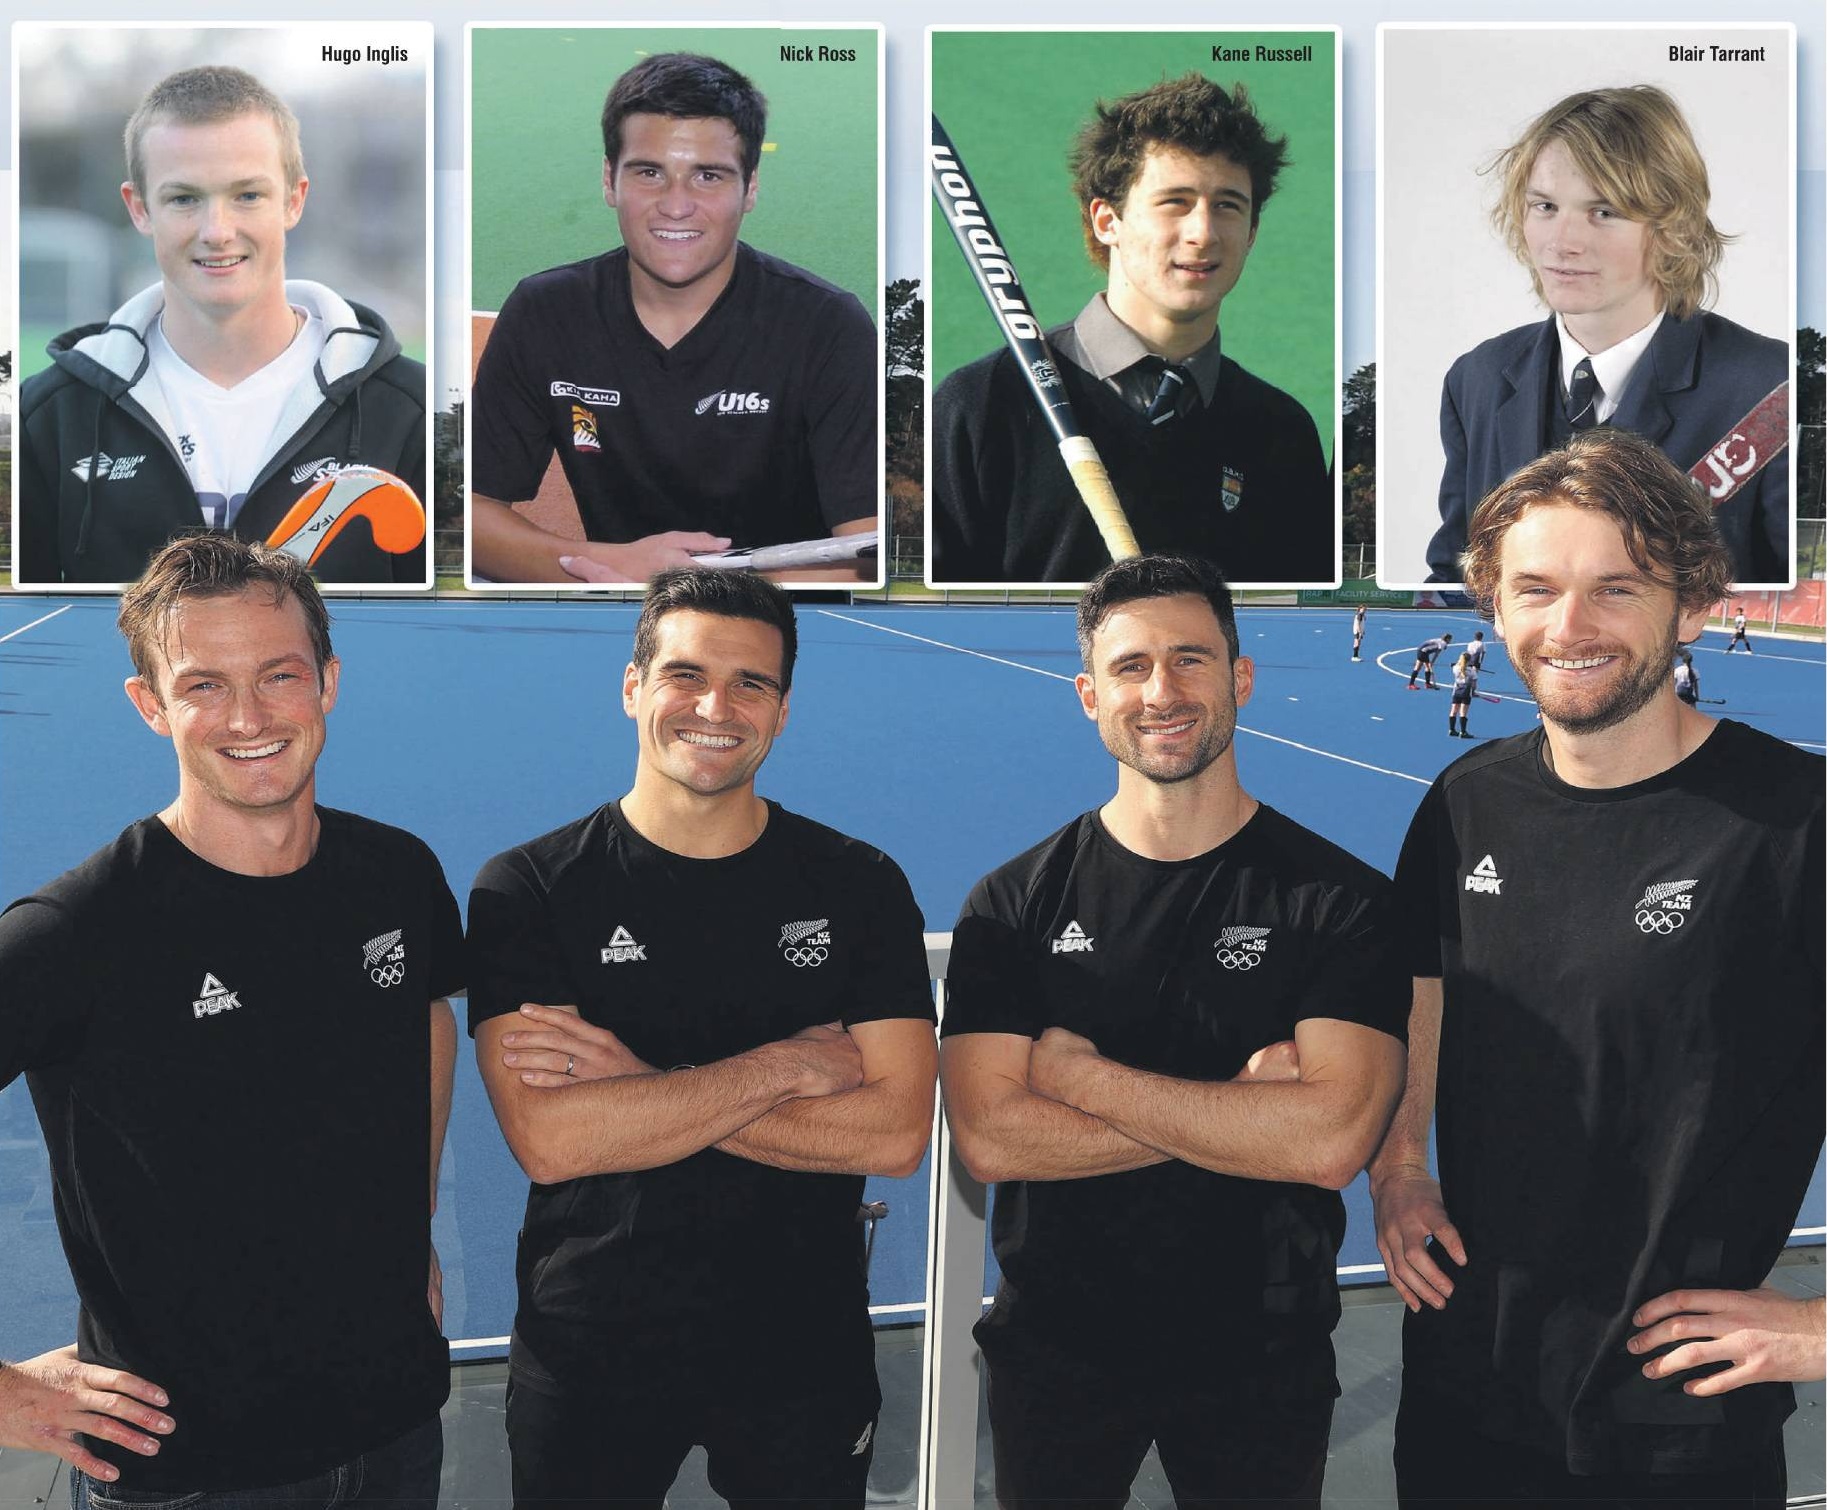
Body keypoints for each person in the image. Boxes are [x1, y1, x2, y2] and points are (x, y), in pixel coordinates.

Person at [1371, 428, 1823, 1508]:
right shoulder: (1464, 802)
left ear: (1695, 605)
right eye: (1535, 588)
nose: (1568, 627)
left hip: (1678, 1434)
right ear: (1494, 607)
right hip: (1463, 1400)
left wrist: (1820, 1328)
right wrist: (1398, 1166)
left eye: (1615, 588)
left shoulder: (1795, 826)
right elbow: (1419, 989)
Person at [0, 535, 462, 1502]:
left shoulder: (398, 875)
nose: (248, 717)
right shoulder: (73, 931)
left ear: (327, 683)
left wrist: (409, 1221)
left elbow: (423, 1022)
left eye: (279, 675)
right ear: (150, 704)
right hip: (195, 1473)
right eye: (204, 685)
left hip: (395, 1432)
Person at [940, 553, 1408, 1509]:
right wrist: (1239, 1114)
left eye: (1190, 660)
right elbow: (989, 1139)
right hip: (1056, 1350)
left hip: (1262, 1353)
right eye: (1131, 666)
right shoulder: (1012, 904)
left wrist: (1078, 1080)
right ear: (1087, 694)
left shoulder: (1339, 902)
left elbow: (1326, 1143)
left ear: (1239, 678)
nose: (1162, 691)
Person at [465, 567, 937, 1508]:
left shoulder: (857, 885)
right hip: (591, 1343)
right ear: (633, 686)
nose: (715, 706)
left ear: (782, 709)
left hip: (802, 1346)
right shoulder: (530, 890)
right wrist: (785, 1068)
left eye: (750, 683)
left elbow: (894, 1135)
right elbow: (554, 1141)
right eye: (684, 675)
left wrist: (639, 1084)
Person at [469, 53, 878, 585]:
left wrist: (694, 595)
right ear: (610, 180)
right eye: (649, 172)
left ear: (749, 188)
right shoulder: (545, 312)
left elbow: (865, 551)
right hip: (616, 617)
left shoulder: (828, 326)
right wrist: (613, 567)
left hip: (789, 622)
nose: (676, 204)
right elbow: (471, 516)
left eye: (707, 176)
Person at [17, 67, 427, 587]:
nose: (217, 231)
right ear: (140, 209)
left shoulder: (410, 407)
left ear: (294, 200)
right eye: (184, 198)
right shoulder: (51, 414)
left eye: (248, 196)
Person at [931, 74, 1333, 585]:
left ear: (1251, 232)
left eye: (1228, 205)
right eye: (1175, 202)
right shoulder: (979, 407)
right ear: (1106, 220)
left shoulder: (1282, 431)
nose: (1203, 232)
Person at [1425, 86, 1788, 586]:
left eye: (1604, 212)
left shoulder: (1770, 389)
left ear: (1671, 226)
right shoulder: (1477, 378)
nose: (1563, 242)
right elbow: (1455, 572)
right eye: (1546, 206)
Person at [1446, 650, 1476, 739]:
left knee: (1453, 711)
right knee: (1463, 713)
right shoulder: (1472, 671)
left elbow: (1459, 666)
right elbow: (1474, 684)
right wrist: (1473, 691)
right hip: (1466, 693)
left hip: (1456, 691)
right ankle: (1463, 732)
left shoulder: (1455, 668)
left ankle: (1451, 730)